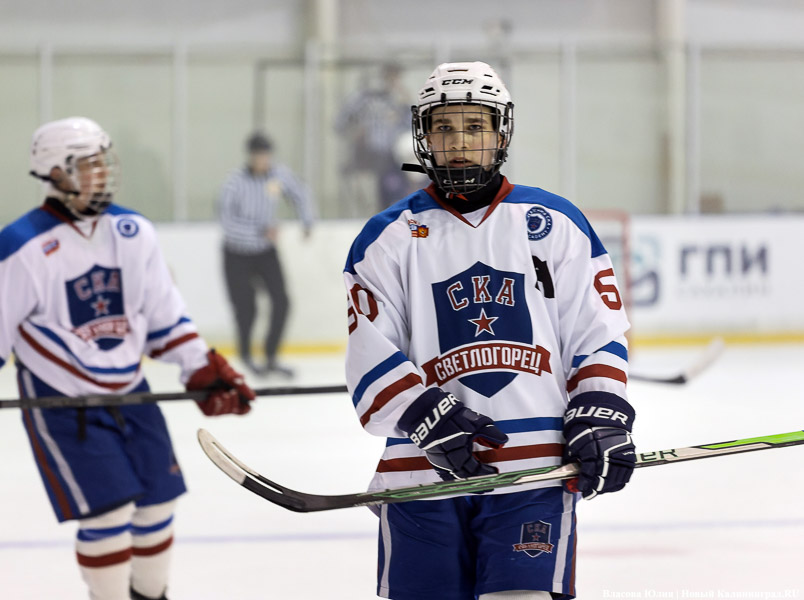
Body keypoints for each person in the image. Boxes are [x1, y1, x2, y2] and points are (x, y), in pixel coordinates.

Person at [0, 116, 255, 600]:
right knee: (108, 512)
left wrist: (202, 370)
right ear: (55, 173)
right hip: (64, 401)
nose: (102, 173)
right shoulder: (22, 244)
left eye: (104, 161)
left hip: (132, 391)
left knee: (158, 504)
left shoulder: (132, 231)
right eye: (88, 164)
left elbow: (164, 313)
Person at [344, 62, 636, 599]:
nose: (459, 143)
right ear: (424, 136)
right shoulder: (387, 237)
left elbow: (597, 331)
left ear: (500, 134)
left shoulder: (555, 222)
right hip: (421, 472)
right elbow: (369, 350)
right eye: (445, 128)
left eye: (475, 127)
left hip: (534, 469)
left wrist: (600, 408)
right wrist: (420, 414)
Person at [218, 131, 314, 377]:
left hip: (265, 252)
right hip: (236, 254)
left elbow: (300, 193)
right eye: (259, 155)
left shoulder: (278, 175)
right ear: (251, 156)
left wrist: (306, 220)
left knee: (281, 301)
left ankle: (271, 355)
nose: (264, 160)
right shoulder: (235, 183)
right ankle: (247, 356)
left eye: (267, 155)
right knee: (246, 308)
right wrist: (260, 231)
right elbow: (227, 224)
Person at [335, 62, 412, 212]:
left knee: (391, 201)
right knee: (369, 203)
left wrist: (405, 104)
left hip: (392, 160)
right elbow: (340, 123)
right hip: (366, 158)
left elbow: (412, 126)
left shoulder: (398, 100)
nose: (394, 81)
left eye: (397, 78)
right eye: (390, 77)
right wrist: (355, 131)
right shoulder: (363, 98)